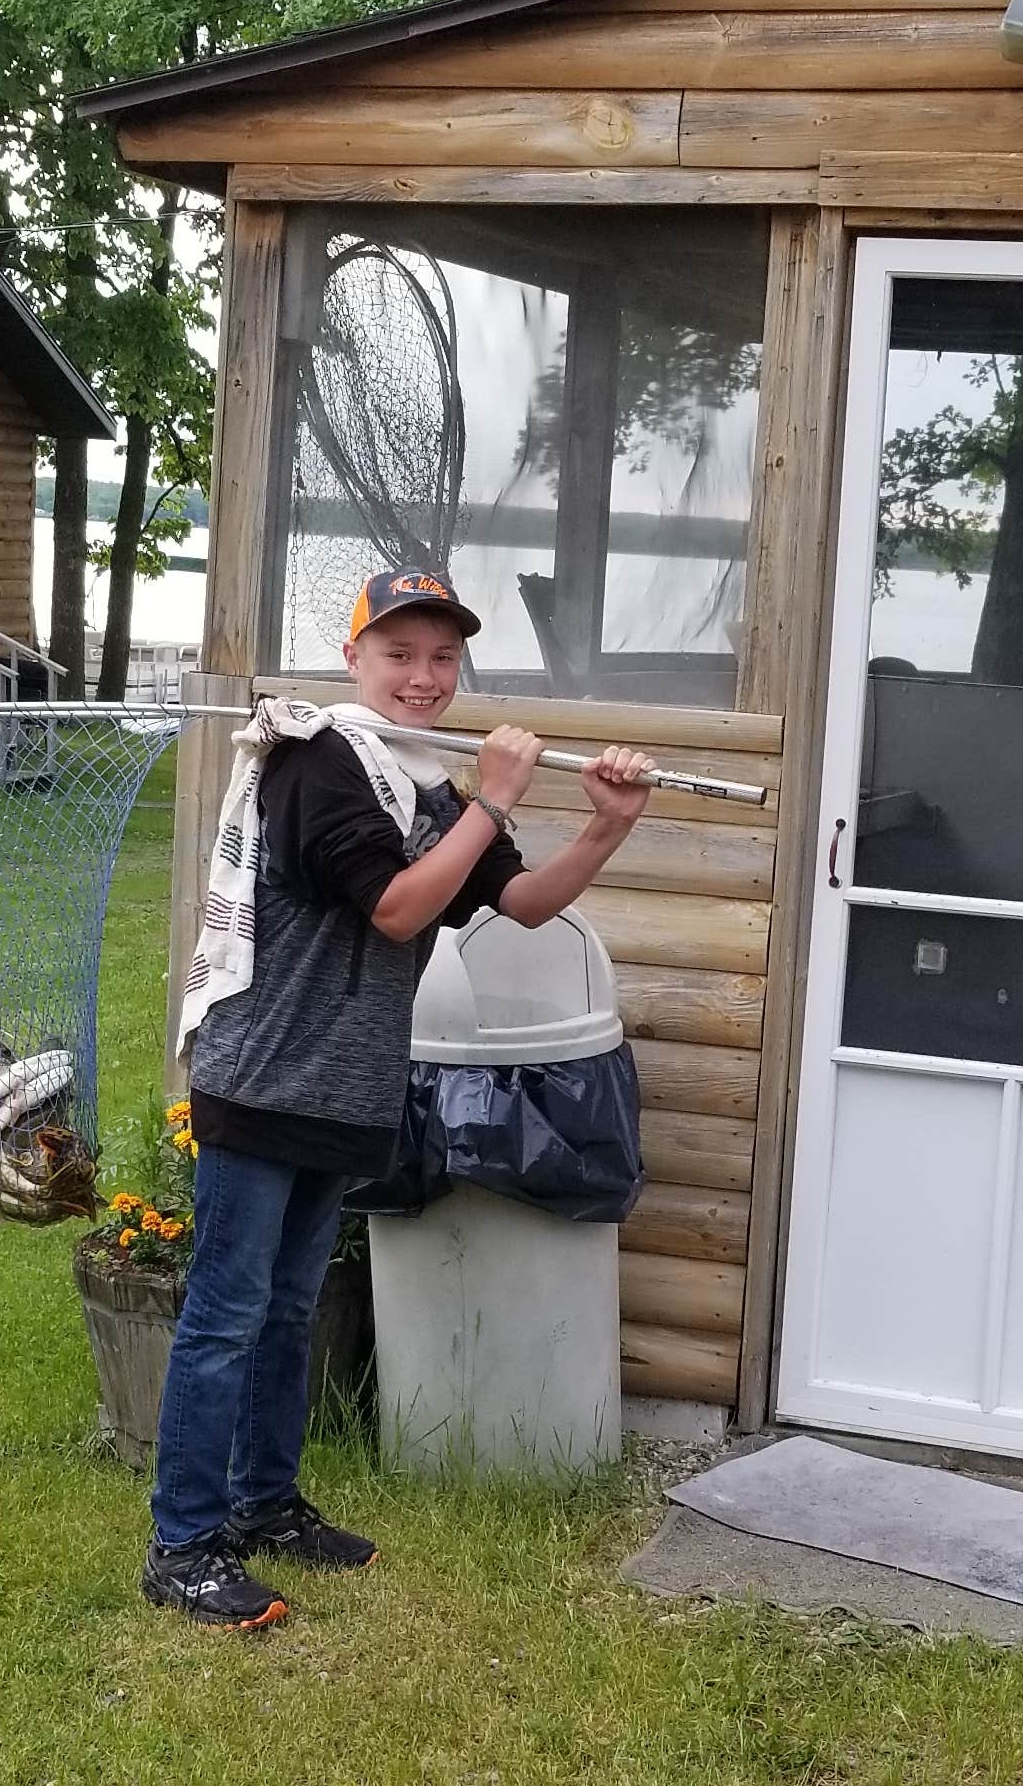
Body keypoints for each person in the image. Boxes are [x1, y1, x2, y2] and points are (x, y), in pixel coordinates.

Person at [145, 570, 655, 1628]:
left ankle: (266, 1507)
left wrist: (607, 827)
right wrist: (499, 800)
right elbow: (394, 907)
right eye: (400, 654)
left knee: (287, 1313)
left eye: (441, 658)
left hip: (347, 1089)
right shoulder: (320, 760)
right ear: (355, 659)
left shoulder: (431, 783)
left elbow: (515, 903)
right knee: (226, 1317)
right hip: (263, 1078)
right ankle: (183, 1546)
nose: (424, 678)